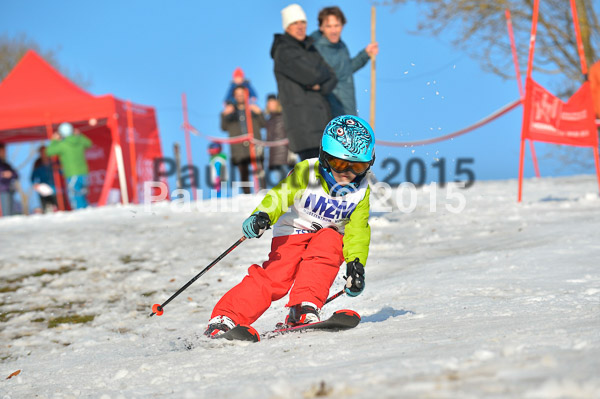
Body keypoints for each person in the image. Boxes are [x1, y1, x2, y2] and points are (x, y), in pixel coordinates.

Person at [203, 115, 375, 337]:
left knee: (329, 243)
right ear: (325, 157)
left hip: (328, 236)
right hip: (294, 230)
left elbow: (358, 230)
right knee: (277, 278)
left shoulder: (361, 191)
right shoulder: (308, 171)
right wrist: (262, 215)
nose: (347, 173)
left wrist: (356, 265)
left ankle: (303, 307)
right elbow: (280, 195)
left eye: (358, 166)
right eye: (339, 163)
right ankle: (226, 317)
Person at [271, 3, 338, 161]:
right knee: (315, 178)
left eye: (303, 22)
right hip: (304, 126)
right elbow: (312, 75)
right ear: (287, 27)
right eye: (295, 23)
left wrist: (318, 85)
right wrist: (318, 79)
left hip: (322, 123)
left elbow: (332, 76)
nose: (300, 27)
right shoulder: (284, 51)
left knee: (330, 178)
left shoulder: (309, 47)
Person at [310, 6, 379, 117]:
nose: (333, 31)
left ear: (342, 26)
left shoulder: (341, 46)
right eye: (329, 26)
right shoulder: (315, 49)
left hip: (347, 105)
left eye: (336, 26)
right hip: (329, 109)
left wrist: (365, 54)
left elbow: (346, 69)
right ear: (321, 27)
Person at [221, 85, 266, 194]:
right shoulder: (230, 111)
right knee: (243, 173)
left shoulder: (253, 109)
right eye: (238, 94)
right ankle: (247, 196)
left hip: (254, 145)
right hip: (239, 148)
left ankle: (263, 192)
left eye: (242, 93)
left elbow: (264, 124)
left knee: (259, 171)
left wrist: (259, 113)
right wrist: (224, 115)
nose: (240, 96)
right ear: (234, 96)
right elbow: (223, 127)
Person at [46, 122, 92, 210]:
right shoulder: (79, 141)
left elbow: (49, 152)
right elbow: (89, 143)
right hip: (84, 172)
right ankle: (86, 211)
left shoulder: (63, 145)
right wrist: (79, 135)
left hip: (72, 173)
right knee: (82, 194)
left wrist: (54, 140)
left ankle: (80, 212)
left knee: (74, 195)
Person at [265, 94, 296, 184]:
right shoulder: (269, 119)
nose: (271, 105)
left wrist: (291, 150)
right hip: (273, 154)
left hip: (285, 153)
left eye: (273, 103)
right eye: (269, 104)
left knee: (288, 179)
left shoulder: (284, 116)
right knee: (277, 182)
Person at [30, 145, 58, 213]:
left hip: (55, 189)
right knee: (46, 207)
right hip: (43, 190)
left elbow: (61, 172)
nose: (44, 154)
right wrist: (35, 184)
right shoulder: (37, 164)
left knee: (57, 206)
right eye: (42, 152)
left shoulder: (54, 162)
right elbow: (33, 177)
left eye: (45, 152)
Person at [0, 142, 19, 217]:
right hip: (2, 191)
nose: (5, 152)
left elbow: (16, 174)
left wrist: (11, 174)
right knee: (6, 214)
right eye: (3, 150)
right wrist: (2, 175)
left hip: (9, 189)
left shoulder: (5, 164)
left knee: (10, 213)